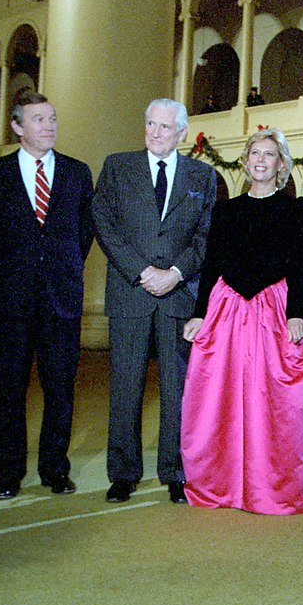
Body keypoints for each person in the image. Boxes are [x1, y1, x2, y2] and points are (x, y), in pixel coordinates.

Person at [179, 128, 303, 514]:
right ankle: (222, 485)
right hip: (228, 309)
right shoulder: (226, 209)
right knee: (220, 397)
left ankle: (268, 488)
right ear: (246, 161)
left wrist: (294, 314)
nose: (260, 159)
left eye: (269, 154)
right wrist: (200, 314)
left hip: (274, 308)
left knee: (273, 400)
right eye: (255, 152)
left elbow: (300, 266)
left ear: (281, 164)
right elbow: (211, 265)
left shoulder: (296, 209)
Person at [0, 91, 95, 499]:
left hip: (61, 299)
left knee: (60, 388)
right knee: (8, 389)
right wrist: (5, 280)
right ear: (18, 127)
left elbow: (84, 232)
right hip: (11, 302)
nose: (50, 126)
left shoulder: (78, 173)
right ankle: (7, 474)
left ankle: (55, 469)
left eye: (53, 118)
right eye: (39, 120)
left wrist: (64, 265)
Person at [92, 98, 216, 505]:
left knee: (176, 389)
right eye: (150, 124)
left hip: (178, 295)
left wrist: (175, 273)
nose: (155, 133)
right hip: (131, 292)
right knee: (126, 386)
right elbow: (103, 223)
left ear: (182, 132)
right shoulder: (117, 167)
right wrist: (141, 271)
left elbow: (205, 236)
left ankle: (175, 471)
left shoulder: (204, 175)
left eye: (165, 127)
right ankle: (123, 473)